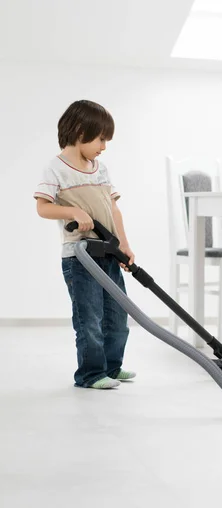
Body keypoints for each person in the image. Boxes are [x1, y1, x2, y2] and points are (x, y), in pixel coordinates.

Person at [34, 100, 136, 389]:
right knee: (90, 319)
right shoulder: (56, 169)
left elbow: (114, 210)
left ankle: (112, 368)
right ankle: (91, 375)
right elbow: (43, 207)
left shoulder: (100, 168)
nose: (104, 146)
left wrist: (125, 245)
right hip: (80, 259)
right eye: (101, 138)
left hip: (109, 252)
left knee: (118, 318)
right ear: (80, 131)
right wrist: (73, 212)